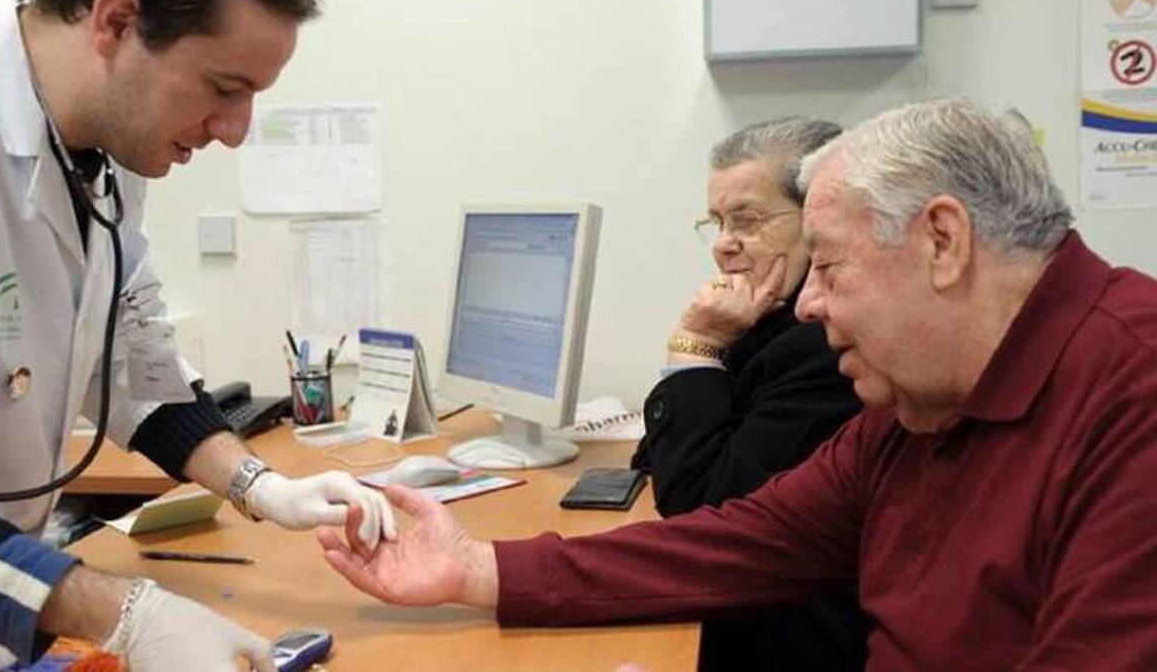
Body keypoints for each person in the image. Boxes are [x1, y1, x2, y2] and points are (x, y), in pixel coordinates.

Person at [319, 98, 1157, 669]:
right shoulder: (922, 397)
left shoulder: (1133, 395)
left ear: (941, 241)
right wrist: (476, 568)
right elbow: (743, 541)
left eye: (827, 265)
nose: (810, 305)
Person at [0, 0, 397, 670]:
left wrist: (259, 485)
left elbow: (131, 355)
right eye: (226, 89)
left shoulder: (105, 141)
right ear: (115, 22)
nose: (235, 132)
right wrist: (127, 615)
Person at [630, 118, 864, 670]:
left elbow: (696, 506)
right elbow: (655, 459)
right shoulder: (764, 325)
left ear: (819, 219)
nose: (722, 245)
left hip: (796, 643)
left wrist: (698, 343)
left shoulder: (825, 350)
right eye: (716, 222)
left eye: (747, 221)